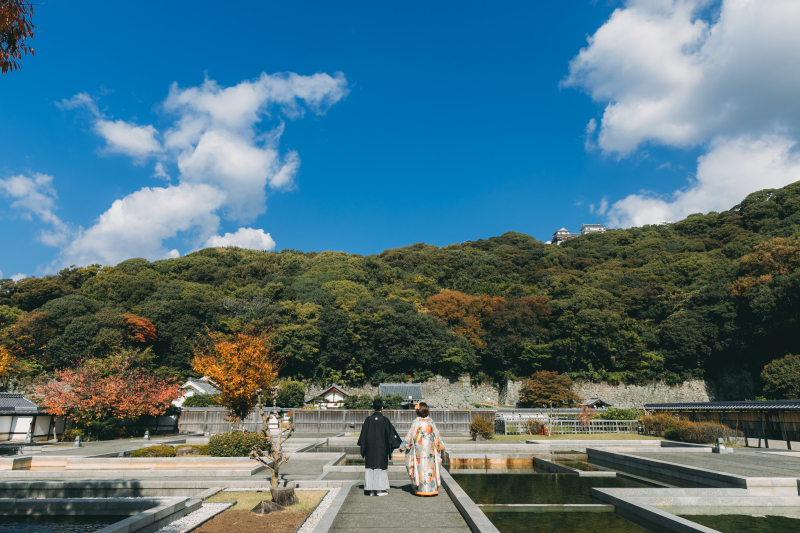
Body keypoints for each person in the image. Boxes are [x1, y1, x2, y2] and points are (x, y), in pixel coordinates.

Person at [357, 398, 401, 496]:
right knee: (380, 467)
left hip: (370, 449)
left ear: (373, 407)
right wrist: (398, 444)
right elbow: (392, 435)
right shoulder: (385, 420)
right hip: (382, 448)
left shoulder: (368, 420)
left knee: (370, 468)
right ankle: (380, 490)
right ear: (382, 408)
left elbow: (363, 436)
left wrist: (363, 448)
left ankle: (371, 490)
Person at [399, 402, 445, 496]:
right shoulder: (431, 422)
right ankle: (431, 488)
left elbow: (410, 435)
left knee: (419, 466)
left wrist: (403, 446)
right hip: (430, 449)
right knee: (430, 467)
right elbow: (437, 435)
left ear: (418, 411)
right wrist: (440, 445)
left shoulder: (416, 422)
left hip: (419, 449)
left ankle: (421, 488)